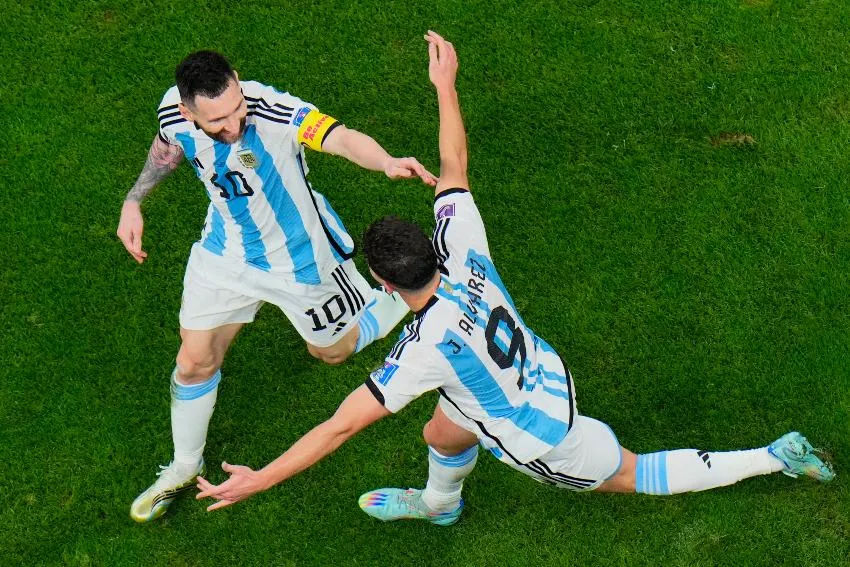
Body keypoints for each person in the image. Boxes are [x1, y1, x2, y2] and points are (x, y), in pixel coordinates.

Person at [195, 31, 835, 522]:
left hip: (545, 432)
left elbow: (339, 425)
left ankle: (772, 458)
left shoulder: (420, 354)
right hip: (519, 372)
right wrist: (445, 86)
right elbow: (455, 164)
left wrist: (261, 478)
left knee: (633, 474)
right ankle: (442, 505)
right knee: (440, 427)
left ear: (384, 286)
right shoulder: (463, 248)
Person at [119, 50, 438, 523]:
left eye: (236, 108)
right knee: (193, 361)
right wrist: (134, 200)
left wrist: (384, 160)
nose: (233, 125)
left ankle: (387, 299)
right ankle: (185, 467)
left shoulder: (272, 111)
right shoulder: (173, 110)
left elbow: (341, 138)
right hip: (226, 250)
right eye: (218, 121)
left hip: (304, 260)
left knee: (332, 352)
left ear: (238, 83)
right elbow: (168, 147)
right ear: (188, 110)